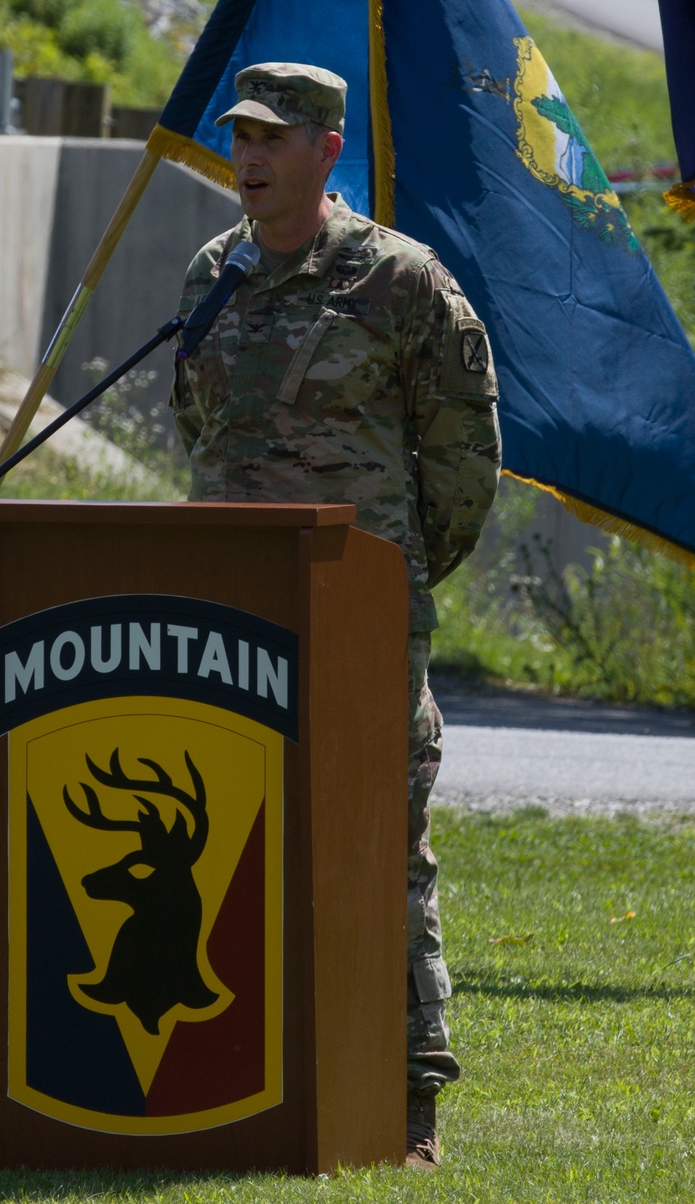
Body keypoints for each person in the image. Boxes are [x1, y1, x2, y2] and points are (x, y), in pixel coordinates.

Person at [170, 62, 501, 1170]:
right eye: (238, 139)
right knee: (227, 831)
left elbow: (461, 458)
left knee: (377, 842)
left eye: (270, 138)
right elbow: (197, 425)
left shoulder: (397, 281)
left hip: (357, 609)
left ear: (324, 148)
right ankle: (235, 1066)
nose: (247, 159)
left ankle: (409, 1095)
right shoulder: (210, 274)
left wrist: (393, 581)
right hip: (229, 611)